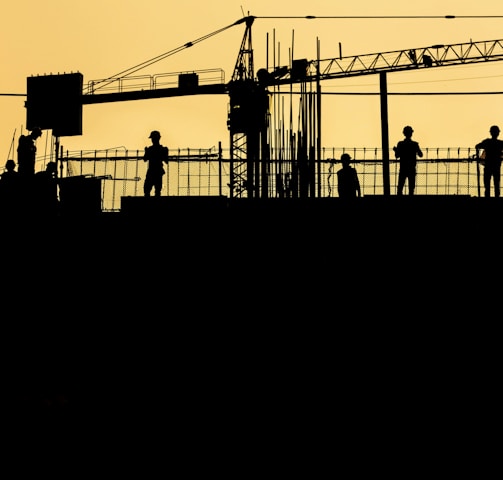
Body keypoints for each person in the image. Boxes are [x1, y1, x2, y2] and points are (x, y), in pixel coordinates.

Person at [393, 125, 423, 195]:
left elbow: (397, 155)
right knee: (411, 189)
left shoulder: (400, 144)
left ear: (404, 133)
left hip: (403, 168)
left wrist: (396, 150)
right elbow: (421, 155)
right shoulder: (415, 144)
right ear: (411, 134)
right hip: (411, 168)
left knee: (400, 188)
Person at [475, 125, 503, 197]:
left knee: (487, 184)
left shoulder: (487, 142)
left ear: (491, 133)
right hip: (496, 166)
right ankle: (496, 196)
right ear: (498, 133)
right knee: (496, 184)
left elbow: (477, 146)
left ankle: (487, 197)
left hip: (488, 165)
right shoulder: (500, 143)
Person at [143, 130, 169, 197]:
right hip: (156, 171)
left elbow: (145, 159)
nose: (152, 140)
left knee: (150, 189)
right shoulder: (161, 149)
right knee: (153, 190)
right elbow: (166, 160)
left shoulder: (151, 149)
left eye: (153, 138)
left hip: (153, 171)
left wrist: (146, 152)